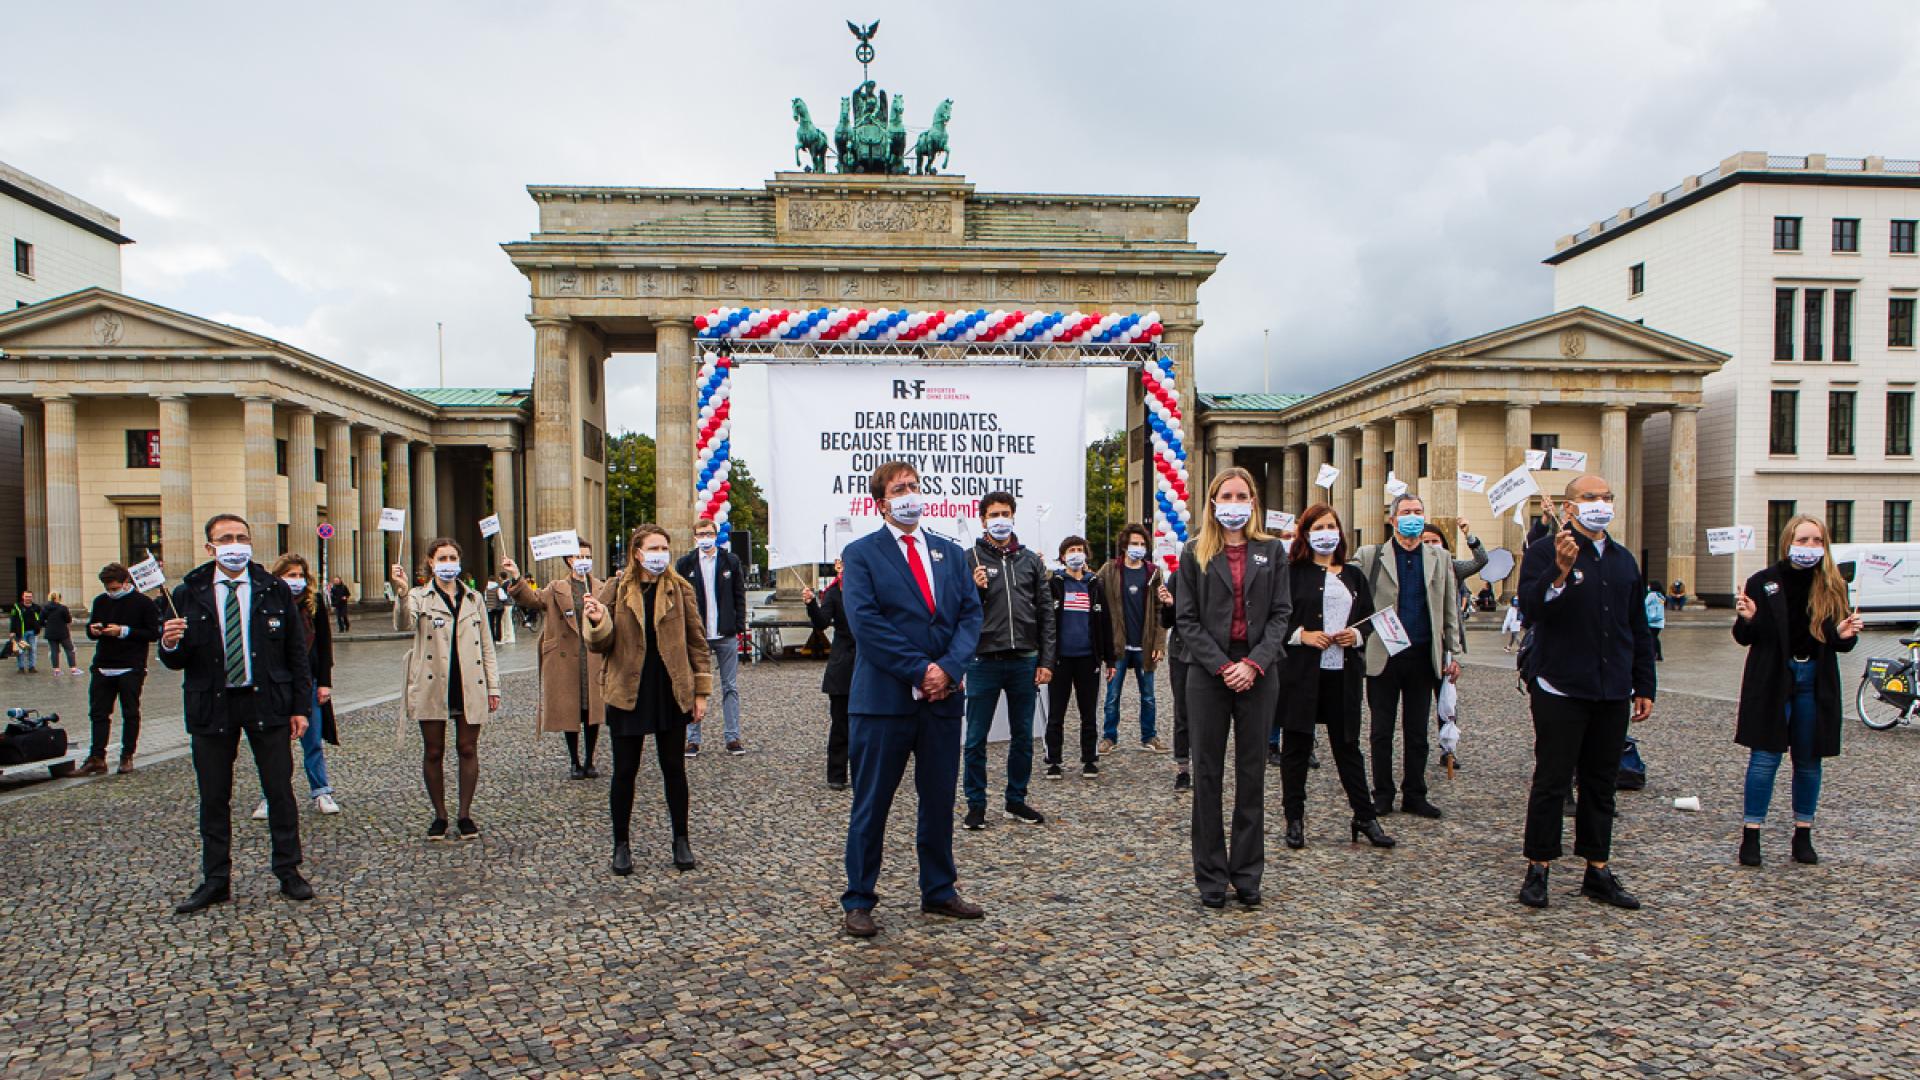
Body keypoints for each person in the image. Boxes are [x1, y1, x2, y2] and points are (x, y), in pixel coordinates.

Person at [838, 460, 985, 939]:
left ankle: (939, 889)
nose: (910, 494)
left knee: (940, 799)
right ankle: (859, 898)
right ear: (880, 502)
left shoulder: (949, 551)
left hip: (943, 701)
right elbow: (867, 624)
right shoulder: (860, 554)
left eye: (915, 486)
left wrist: (949, 669)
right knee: (872, 802)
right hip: (883, 702)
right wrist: (921, 670)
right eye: (899, 489)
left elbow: (969, 615)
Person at [160, 514, 315, 913]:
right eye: (225, 538)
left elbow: (296, 654)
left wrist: (300, 707)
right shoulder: (188, 591)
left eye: (241, 537)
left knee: (279, 790)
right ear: (210, 547)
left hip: (267, 700)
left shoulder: (272, 588)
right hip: (212, 703)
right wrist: (170, 643)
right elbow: (176, 660)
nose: (235, 544)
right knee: (214, 795)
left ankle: (288, 870)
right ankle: (215, 878)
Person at [1515, 474, 1655, 911]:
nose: (1601, 503)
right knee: (1553, 780)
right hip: (1560, 684)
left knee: (1601, 782)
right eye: (1591, 497)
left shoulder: (1622, 559)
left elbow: (1637, 625)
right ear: (1570, 507)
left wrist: (1643, 682)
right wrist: (1559, 572)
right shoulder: (1544, 551)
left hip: (1611, 686)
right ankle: (1539, 866)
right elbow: (1532, 609)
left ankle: (1597, 867)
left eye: (1607, 497)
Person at [1175, 466, 1291, 909]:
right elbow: (1186, 620)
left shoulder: (1271, 551)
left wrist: (1254, 664)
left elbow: (1282, 614)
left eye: (1243, 496)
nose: (1235, 503)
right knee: (1206, 774)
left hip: (1259, 671)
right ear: (1212, 502)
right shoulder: (1195, 553)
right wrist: (1224, 666)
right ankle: (1210, 875)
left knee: (1252, 774)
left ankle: (1247, 874)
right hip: (1208, 673)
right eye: (1227, 495)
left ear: (1254, 503)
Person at [1731, 515, 1862, 868]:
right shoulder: (1764, 582)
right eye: (1802, 540)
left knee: (1808, 759)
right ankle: (1751, 833)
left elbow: (1837, 641)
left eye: (1816, 541)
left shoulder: (1833, 584)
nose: (1809, 547)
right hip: (1774, 676)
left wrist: (1846, 634)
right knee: (1765, 757)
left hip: (1814, 679)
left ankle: (1802, 833)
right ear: (1788, 541)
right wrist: (1747, 618)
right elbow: (1745, 637)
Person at [583, 525, 710, 876]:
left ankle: (681, 839)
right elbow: (600, 643)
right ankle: (620, 844)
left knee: (674, 769)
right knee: (625, 771)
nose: (661, 553)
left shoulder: (680, 588)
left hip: (669, 688)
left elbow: (696, 641)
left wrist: (700, 691)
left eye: (665, 547)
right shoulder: (615, 588)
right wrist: (596, 621)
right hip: (627, 688)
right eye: (654, 547)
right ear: (637, 552)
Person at [1275, 504, 1396, 852]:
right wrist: (1302, 635)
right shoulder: (1292, 572)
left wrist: (1356, 637)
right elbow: (1277, 618)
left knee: (1347, 747)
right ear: (1306, 533)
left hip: (1342, 672)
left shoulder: (1353, 575)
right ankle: (1294, 818)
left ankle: (1365, 815)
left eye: (1331, 526)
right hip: (1301, 673)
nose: (1326, 532)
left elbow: (1370, 618)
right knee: (1296, 746)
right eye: (1319, 526)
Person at [1354, 494, 1463, 819]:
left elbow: (1449, 609)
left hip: (1422, 653)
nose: (1412, 517)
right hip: (1384, 654)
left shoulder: (1439, 557)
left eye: (1417, 512)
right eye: (1406, 512)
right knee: (1381, 730)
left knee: (1417, 731)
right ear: (1393, 519)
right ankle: (1383, 793)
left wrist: (1452, 652)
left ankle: (1415, 792)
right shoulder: (1372, 555)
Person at [392, 539, 501, 841]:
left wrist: (494, 686)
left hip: (469, 681)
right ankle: (440, 815)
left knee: (468, 748)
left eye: (453, 557)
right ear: (430, 562)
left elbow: (488, 646)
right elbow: (403, 624)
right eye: (443, 557)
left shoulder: (474, 598)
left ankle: (464, 814)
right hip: (432, 681)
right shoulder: (419, 596)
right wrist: (401, 593)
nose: (449, 562)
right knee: (434, 750)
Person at [961, 491, 1057, 829]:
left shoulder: (1030, 560)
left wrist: (1046, 660)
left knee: (1022, 736)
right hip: (983, 661)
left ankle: (1016, 800)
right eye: (993, 514)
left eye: (1005, 513)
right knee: (975, 738)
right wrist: (975, 590)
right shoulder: (968, 558)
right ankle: (976, 803)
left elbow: (1046, 613)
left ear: (1014, 517)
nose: (1000, 519)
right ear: (983, 519)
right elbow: (958, 611)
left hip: (1024, 660)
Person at [501, 544, 606, 780]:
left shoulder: (601, 586)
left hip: (591, 653)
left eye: (588, 556)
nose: (584, 560)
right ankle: (575, 761)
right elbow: (532, 599)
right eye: (580, 556)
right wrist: (516, 576)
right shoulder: (557, 587)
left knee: (592, 709)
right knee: (571, 709)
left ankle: (590, 759)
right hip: (566, 655)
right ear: (569, 560)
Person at [250, 554, 341, 817]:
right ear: (278, 577)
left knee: (312, 740)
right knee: (274, 745)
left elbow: (324, 645)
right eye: (291, 576)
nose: (297, 581)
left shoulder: (314, 604)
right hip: (275, 683)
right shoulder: (265, 603)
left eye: (300, 575)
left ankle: (321, 790)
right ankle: (271, 795)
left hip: (308, 680)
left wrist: (324, 682)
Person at [76, 564, 162, 775]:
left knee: (130, 713)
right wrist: (94, 630)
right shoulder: (101, 601)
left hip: (131, 666)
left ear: (126, 583)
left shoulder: (143, 603)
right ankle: (97, 757)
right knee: (98, 713)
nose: (111, 592)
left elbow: (153, 633)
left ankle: (127, 755)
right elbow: (91, 629)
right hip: (103, 664)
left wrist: (124, 631)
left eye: (114, 588)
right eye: (108, 588)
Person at [677, 516, 748, 756]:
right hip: (697, 635)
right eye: (700, 534)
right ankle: (692, 739)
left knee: (730, 686)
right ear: (695, 537)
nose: (705, 538)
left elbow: (739, 594)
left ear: (716, 535)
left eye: (708, 533)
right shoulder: (685, 564)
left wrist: (739, 624)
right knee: (694, 686)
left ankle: (733, 737)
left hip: (725, 632)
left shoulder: (730, 561)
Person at [1100, 523, 1170, 754]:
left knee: (1148, 696)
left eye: (1142, 544)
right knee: (1112, 696)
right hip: (1119, 645)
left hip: (1145, 644)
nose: (1138, 548)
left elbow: (1161, 610)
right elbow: (1090, 586)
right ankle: (1109, 737)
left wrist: (1159, 643)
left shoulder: (1153, 572)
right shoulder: (1110, 570)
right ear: (1124, 545)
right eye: (1134, 544)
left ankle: (1149, 736)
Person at [1045, 536, 1111, 781]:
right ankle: (1053, 760)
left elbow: (1105, 623)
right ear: (1062, 556)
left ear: (1086, 555)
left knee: (1088, 713)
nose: (1076, 554)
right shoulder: (1055, 584)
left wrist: (1109, 659)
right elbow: (1045, 621)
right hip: (1060, 659)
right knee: (1056, 713)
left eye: (1080, 550)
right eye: (1071, 550)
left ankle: (1090, 759)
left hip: (1087, 659)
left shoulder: (1095, 584)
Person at [804, 558, 857, 790]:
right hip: (843, 663)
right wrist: (811, 604)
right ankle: (837, 774)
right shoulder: (834, 593)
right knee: (840, 722)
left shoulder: (868, 589)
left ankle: (865, 771)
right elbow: (822, 622)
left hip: (867, 662)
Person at [41, 591, 78, 675]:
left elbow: (40, 621)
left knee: (54, 651)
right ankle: (73, 669)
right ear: (59, 598)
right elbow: (68, 620)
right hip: (62, 632)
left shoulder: (45, 608)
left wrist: (47, 625)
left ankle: (56, 670)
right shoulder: (63, 608)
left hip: (50, 632)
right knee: (69, 649)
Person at [10, 590, 42, 674]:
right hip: (21, 632)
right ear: (23, 597)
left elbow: (40, 619)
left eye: (30, 596)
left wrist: (39, 628)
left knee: (33, 650)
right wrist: (12, 631)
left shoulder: (37, 607)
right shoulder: (16, 607)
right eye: (26, 596)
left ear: (32, 597)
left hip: (33, 632)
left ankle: (32, 667)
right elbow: (13, 619)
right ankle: (21, 667)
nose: (28, 598)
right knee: (21, 651)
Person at [1645, 583, 1667, 662]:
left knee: (1652, 638)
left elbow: (1645, 603)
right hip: (1659, 621)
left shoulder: (1652, 595)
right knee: (1655, 637)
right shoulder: (1660, 595)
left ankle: (1653, 654)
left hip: (1651, 620)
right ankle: (1659, 655)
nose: (1648, 587)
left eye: (1649, 585)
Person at [484, 576, 505, 642]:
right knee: (498, 623)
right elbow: (502, 597)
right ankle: (498, 637)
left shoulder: (486, 588)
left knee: (491, 623)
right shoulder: (498, 588)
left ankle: (492, 637)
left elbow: (485, 599)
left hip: (490, 608)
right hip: (498, 607)